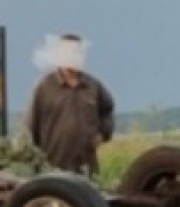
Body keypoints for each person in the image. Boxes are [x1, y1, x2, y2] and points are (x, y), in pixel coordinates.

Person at [23, 33, 116, 175]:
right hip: (52, 168)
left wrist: (103, 134)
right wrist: (33, 163)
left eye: (75, 52)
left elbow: (107, 110)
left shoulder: (93, 86)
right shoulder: (44, 87)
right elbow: (29, 128)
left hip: (86, 169)